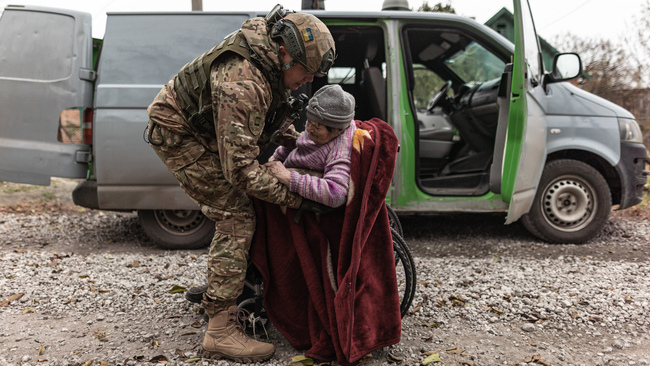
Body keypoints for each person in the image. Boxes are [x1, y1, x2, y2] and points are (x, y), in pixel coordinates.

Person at [145, 4, 335, 362]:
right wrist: (300, 197)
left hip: (206, 128)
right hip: (178, 134)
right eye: (306, 72)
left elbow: (267, 120)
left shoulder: (269, 61)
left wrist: (302, 144)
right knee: (236, 214)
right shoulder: (243, 81)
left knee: (249, 200)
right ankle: (219, 329)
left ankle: (226, 284)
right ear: (284, 53)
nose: (308, 80)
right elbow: (242, 171)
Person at [264, 84, 357, 208]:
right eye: (309, 122)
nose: (309, 129)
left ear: (338, 130)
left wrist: (290, 178)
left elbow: (336, 194)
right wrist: (276, 159)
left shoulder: (340, 149)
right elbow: (302, 145)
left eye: (317, 127)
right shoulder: (319, 126)